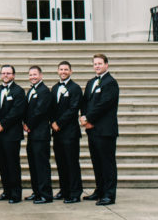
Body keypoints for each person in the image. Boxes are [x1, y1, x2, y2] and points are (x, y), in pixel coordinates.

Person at [80, 54, 119, 206]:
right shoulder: (91, 82)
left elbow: (104, 105)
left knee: (107, 163)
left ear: (106, 65)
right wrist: (84, 117)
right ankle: (100, 190)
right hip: (92, 130)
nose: (97, 66)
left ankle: (109, 194)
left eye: (100, 63)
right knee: (96, 162)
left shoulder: (111, 83)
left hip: (105, 130)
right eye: (95, 64)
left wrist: (89, 118)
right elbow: (85, 102)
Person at [0, 64, 26, 204]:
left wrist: (3, 124)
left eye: (8, 73)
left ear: (13, 75)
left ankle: (16, 194)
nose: (5, 75)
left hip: (12, 134)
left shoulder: (19, 91)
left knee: (13, 164)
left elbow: (17, 112)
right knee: (2, 164)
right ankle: (6, 191)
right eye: (3, 73)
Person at [50, 61, 83, 204]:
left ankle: (75, 192)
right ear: (58, 71)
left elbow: (73, 108)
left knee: (72, 163)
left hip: (70, 132)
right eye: (61, 69)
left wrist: (59, 123)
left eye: (66, 69)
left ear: (71, 71)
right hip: (57, 133)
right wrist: (52, 122)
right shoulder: (54, 88)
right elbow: (50, 107)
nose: (63, 71)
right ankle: (64, 190)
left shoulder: (75, 88)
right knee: (61, 163)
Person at [23, 65, 53, 203]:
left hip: (41, 134)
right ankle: (36, 192)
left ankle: (45, 195)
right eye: (30, 75)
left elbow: (40, 111)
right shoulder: (31, 90)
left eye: (35, 74)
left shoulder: (44, 91)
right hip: (32, 134)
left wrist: (28, 124)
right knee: (33, 164)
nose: (32, 77)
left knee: (41, 165)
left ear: (41, 75)